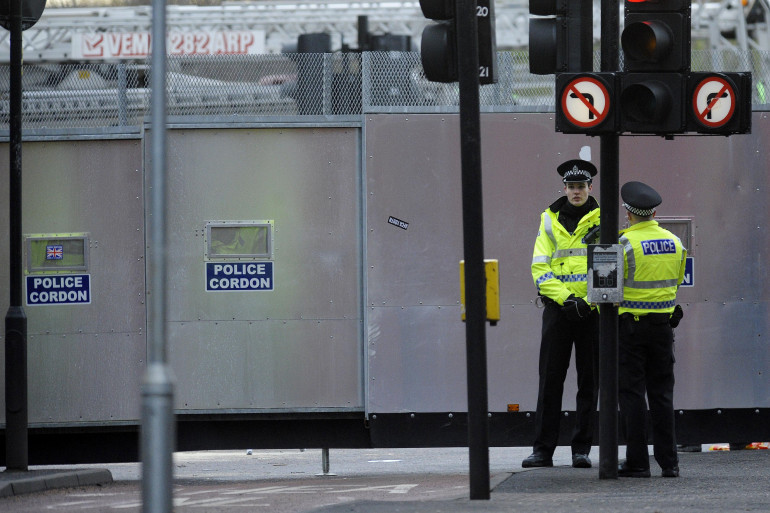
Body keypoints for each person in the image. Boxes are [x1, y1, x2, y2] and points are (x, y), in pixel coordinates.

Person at [522, 159, 600, 469]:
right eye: (572, 187)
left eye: (581, 187)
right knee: (550, 381)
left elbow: (610, 266)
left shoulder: (603, 218)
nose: (576, 191)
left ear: (589, 188)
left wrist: (588, 302)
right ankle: (543, 450)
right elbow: (540, 267)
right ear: (564, 188)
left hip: (591, 312)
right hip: (558, 310)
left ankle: (581, 450)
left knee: (589, 383)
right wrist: (568, 298)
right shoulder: (548, 220)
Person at [616, 181, 687, 478]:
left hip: (631, 329)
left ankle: (637, 462)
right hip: (663, 328)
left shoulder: (623, 244)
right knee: (662, 395)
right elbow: (676, 282)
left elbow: (607, 290)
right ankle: (669, 463)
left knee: (632, 394)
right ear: (654, 212)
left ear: (628, 214)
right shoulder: (675, 242)